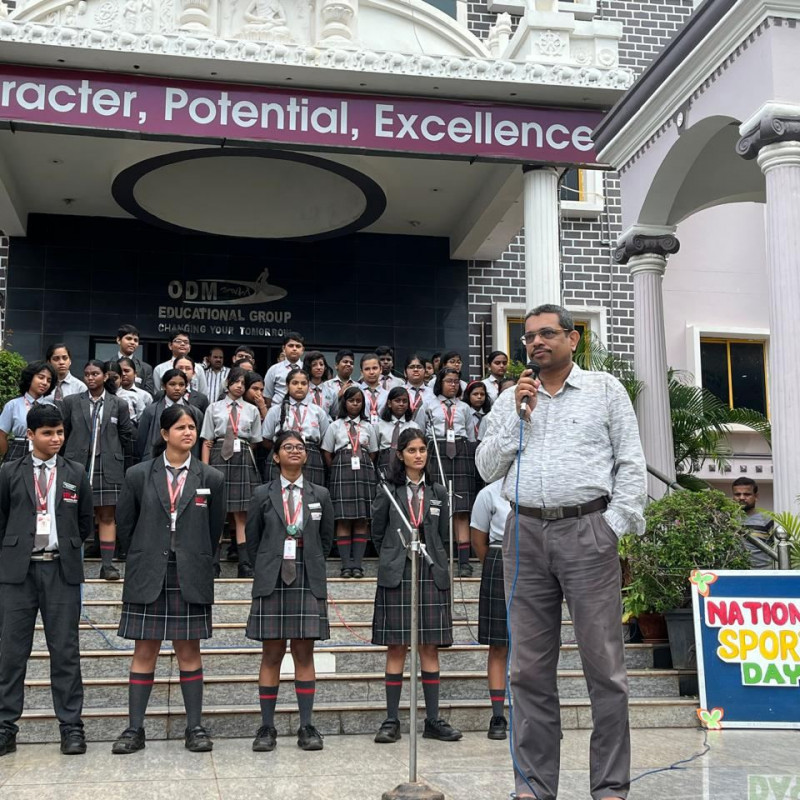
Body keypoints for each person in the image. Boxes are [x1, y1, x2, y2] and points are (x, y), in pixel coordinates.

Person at [476, 303, 647, 800]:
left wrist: (613, 526)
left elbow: (631, 463)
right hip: (524, 534)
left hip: (588, 530)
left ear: (573, 339)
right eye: (528, 336)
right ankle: (532, 785)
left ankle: (610, 786)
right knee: (527, 669)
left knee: (605, 667)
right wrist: (517, 418)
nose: (536, 342)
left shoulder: (604, 390)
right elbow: (486, 468)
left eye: (547, 333)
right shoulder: (511, 399)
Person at [112, 405, 225, 755]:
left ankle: (195, 727)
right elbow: (126, 525)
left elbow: (214, 528)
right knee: (144, 650)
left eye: (192, 427)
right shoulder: (138, 474)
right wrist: (145, 554)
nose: (188, 432)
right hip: (148, 570)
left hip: (189, 571)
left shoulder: (211, 477)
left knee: (189, 650)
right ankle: (134, 729)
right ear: (164, 434)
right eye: (180, 427)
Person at [0, 404, 93, 757]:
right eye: (47, 433)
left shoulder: (75, 472)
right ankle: (5, 726)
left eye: (60, 432)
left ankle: (71, 727)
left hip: (60, 570)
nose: (55, 439)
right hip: (17, 573)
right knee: (11, 652)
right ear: (30, 435)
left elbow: (84, 522)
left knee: (65, 651)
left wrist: (67, 545)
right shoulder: (9, 472)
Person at [245, 430, 334, 753]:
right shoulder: (262, 494)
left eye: (300, 447)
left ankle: (306, 725)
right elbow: (253, 540)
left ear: (306, 455)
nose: (294, 451)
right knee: (271, 654)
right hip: (272, 578)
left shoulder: (320, 494)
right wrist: (269, 563)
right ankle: (266, 727)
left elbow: (326, 539)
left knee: (304, 653)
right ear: (276, 456)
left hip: (307, 576)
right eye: (287, 447)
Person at [371, 429, 462, 744]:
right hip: (398, 571)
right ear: (400, 455)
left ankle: (433, 719)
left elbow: (445, 535)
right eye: (411, 450)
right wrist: (393, 556)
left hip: (430, 571)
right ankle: (391, 720)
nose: (418, 455)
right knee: (396, 646)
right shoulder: (388, 490)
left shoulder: (438, 491)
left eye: (422, 449)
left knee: (429, 646)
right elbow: (378, 532)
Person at [61, 360, 134, 581]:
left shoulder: (118, 403)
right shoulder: (71, 402)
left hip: (108, 465)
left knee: (107, 515)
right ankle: (73, 562)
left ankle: (107, 565)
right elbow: (63, 432)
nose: (90, 378)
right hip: (77, 464)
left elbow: (126, 435)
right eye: (87, 374)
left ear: (105, 376)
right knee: (73, 513)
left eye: (95, 374)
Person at [200, 367, 263, 579]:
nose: (239, 386)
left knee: (242, 513)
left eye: (243, 383)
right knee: (217, 511)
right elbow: (207, 440)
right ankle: (213, 563)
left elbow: (254, 441)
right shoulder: (214, 408)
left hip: (243, 457)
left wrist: (242, 453)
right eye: (235, 381)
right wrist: (206, 468)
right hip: (218, 456)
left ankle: (244, 563)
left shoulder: (252, 410)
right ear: (227, 383)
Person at [424, 367, 477, 577]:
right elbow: (420, 431)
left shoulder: (464, 407)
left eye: (456, 381)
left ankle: (463, 562)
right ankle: (437, 558)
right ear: (440, 383)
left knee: (461, 509)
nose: (453, 385)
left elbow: (471, 436)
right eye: (449, 381)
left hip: (460, 452)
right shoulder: (428, 405)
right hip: (436, 450)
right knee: (436, 507)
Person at [470, 479, 512, 740]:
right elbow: (478, 541)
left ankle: (539, 715)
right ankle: (498, 715)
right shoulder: (489, 494)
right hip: (499, 558)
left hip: (536, 560)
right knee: (498, 645)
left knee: (538, 645)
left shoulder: (538, 486)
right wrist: (498, 565)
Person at [320, 386, 378, 579]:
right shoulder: (335, 425)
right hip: (341, 469)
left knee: (362, 518)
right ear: (344, 403)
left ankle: (357, 565)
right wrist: (340, 464)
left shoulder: (368, 426)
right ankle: (346, 565)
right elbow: (327, 452)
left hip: (364, 471)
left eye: (358, 401)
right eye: (351, 400)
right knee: (343, 518)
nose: (355, 404)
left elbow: (373, 452)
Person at [262, 368, 329, 485]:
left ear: (309, 387)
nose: (299, 387)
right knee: (278, 492)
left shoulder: (318, 412)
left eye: (303, 383)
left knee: (311, 493)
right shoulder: (276, 410)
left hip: (310, 456)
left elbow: (325, 441)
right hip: (281, 456)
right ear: (287, 386)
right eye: (295, 383)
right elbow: (266, 440)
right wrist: (283, 449)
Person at [135, 369, 203, 462]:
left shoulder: (195, 413)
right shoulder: (150, 411)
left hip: (186, 460)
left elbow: (198, 442)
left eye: (181, 385)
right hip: (154, 458)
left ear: (186, 386)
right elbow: (141, 440)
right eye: (172, 384)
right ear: (164, 386)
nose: (177, 388)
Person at [0, 360, 57, 463]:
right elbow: (1, 434)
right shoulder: (13, 405)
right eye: (41, 377)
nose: (45, 383)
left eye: (49, 380)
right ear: (30, 378)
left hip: (44, 451)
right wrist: (7, 455)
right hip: (18, 450)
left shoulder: (52, 408)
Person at [732, 477, 775, 569]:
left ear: (756, 496)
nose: (742, 498)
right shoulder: (726, 519)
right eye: (737, 494)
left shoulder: (768, 520)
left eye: (747, 494)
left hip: (762, 573)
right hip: (734, 573)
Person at [375, 387, 419, 475]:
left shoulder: (414, 426)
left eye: (404, 401)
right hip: (384, 463)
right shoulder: (379, 425)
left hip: (406, 463)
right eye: (397, 401)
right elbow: (375, 450)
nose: (401, 404)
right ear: (389, 403)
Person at [152, 331, 208, 396]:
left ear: (189, 348)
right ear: (170, 345)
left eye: (186, 342)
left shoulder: (198, 368)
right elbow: (157, 394)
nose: (182, 344)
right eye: (178, 341)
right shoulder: (160, 369)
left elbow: (203, 394)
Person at [264, 332, 305, 408]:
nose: (294, 349)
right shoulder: (274, 369)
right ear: (283, 348)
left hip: (302, 411)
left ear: (302, 350)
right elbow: (268, 397)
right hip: (278, 410)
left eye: (298, 346)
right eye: (291, 346)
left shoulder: (307, 368)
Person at [116, 325, 155, 395]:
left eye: (135, 340)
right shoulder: (107, 364)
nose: (132, 342)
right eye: (129, 339)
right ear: (118, 340)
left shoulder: (146, 368)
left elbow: (149, 395)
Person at [116, 357, 153, 425]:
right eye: (120, 372)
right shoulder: (111, 394)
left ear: (135, 373)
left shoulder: (145, 396)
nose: (123, 374)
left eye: (127, 371)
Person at [322, 349, 356, 417]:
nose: (348, 364)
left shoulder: (358, 386)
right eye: (345, 362)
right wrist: (338, 395)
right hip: (332, 420)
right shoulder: (327, 385)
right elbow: (323, 407)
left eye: (351, 363)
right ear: (336, 365)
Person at [403, 353, 435, 420]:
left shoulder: (432, 393)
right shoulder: (399, 391)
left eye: (419, 367)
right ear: (405, 372)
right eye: (411, 367)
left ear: (425, 371)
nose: (415, 369)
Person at [359, 353, 388, 425]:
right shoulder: (356, 392)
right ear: (361, 372)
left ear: (381, 369)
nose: (371, 372)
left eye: (374, 368)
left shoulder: (387, 395)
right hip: (361, 429)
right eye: (367, 369)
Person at [304, 350, 334, 415]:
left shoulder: (331, 392)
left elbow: (334, 415)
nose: (319, 367)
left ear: (325, 367)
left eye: (321, 364)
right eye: (314, 365)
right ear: (308, 367)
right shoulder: (303, 390)